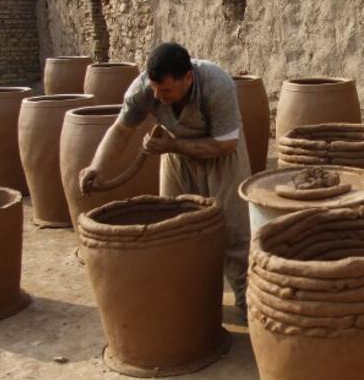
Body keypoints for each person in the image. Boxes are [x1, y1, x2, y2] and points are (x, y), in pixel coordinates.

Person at [79, 42, 251, 315]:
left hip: (221, 156)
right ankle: (186, 301)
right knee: (172, 229)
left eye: (167, 90)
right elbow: (121, 131)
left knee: (234, 232)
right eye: (155, 88)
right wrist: (96, 166)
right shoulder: (143, 90)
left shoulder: (217, 84)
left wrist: (174, 145)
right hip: (176, 155)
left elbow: (226, 144)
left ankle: (247, 302)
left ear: (188, 78)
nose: (159, 96)